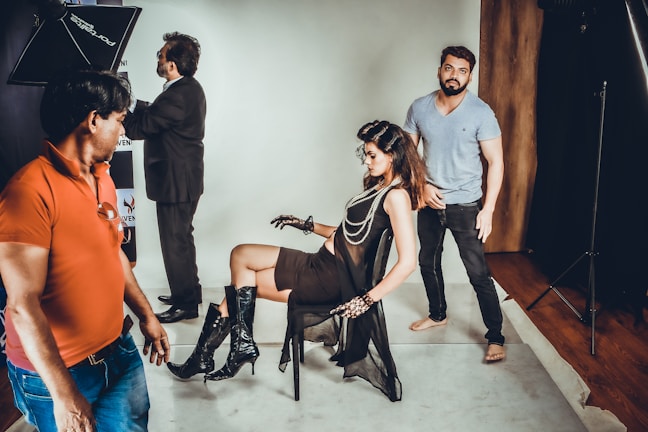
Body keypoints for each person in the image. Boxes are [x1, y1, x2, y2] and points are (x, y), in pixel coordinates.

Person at [165, 120, 427, 401]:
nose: (366, 161)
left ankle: (214, 354)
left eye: (372, 155)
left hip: (328, 279)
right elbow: (349, 234)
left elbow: (408, 262)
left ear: (392, 155)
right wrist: (306, 225)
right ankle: (235, 347)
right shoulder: (379, 187)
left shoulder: (396, 197)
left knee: (242, 286)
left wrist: (367, 300)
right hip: (318, 263)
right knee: (240, 254)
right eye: (365, 154)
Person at [0, 69, 170, 432]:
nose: (123, 131)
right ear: (93, 120)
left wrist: (146, 315)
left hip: (119, 352)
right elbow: (22, 305)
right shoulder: (27, 192)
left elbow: (114, 253)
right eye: (119, 120)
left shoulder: (102, 177)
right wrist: (64, 395)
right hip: (62, 374)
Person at [403, 45, 506, 362]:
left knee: (478, 273)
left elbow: (496, 162)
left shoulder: (481, 113)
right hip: (430, 201)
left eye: (462, 71)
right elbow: (407, 156)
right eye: (449, 68)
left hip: (466, 205)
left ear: (469, 77)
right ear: (439, 70)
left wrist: (488, 210)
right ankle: (437, 315)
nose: (454, 75)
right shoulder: (419, 108)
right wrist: (421, 188)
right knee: (427, 262)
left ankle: (496, 337)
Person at [124, 32, 207, 323]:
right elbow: (157, 114)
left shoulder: (178, 94)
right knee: (182, 238)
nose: (158, 59)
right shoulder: (188, 89)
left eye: (161, 55)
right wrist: (135, 103)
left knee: (175, 243)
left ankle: (185, 304)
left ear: (172, 64)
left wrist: (121, 106)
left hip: (175, 182)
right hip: (184, 179)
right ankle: (190, 293)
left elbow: (139, 129)